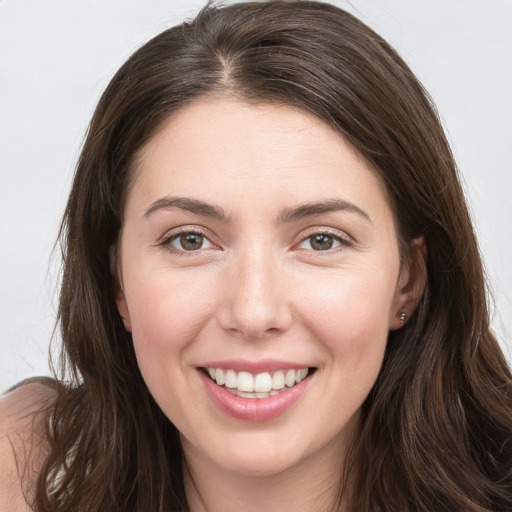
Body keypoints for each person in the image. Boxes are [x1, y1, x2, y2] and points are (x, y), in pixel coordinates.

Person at [1, 1, 511, 510]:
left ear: (408, 280)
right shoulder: (23, 471)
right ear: (117, 282)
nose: (253, 312)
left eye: (321, 240)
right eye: (190, 240)